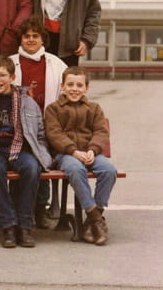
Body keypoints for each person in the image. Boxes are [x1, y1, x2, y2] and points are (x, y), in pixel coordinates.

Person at [0, 55, 52, 248]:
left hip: (20, 149)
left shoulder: (27, 103)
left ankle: (24, 225)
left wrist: (42, 154)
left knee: (32, 168)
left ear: (12, 77)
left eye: (2, 75)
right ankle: (7, 226)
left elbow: (39, 134)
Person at [45, 67, 117, 245]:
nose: (74, 89)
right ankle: (96, 219)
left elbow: (101, 132)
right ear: (62, 86)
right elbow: (54, 134)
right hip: (66, 154)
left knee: (109, 170)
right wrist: (73, 151)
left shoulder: (94, 108)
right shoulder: (53, 109)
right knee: (76, 169)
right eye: (70, 85)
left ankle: (93, 218)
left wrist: (92, 150)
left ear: (86, 88)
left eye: (79, 85)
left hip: (90, 153)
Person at [9, 15, 68, 228]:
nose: (31, 40)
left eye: (36, 36)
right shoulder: (10, 63)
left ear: (43, 39)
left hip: (46, 128)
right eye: (27, 36)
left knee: (41, 162)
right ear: (21, 39)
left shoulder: (56, 64)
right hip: (18, 128)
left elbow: (66, 95)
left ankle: (40, 209)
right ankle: (17, 209)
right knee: (21, 165)